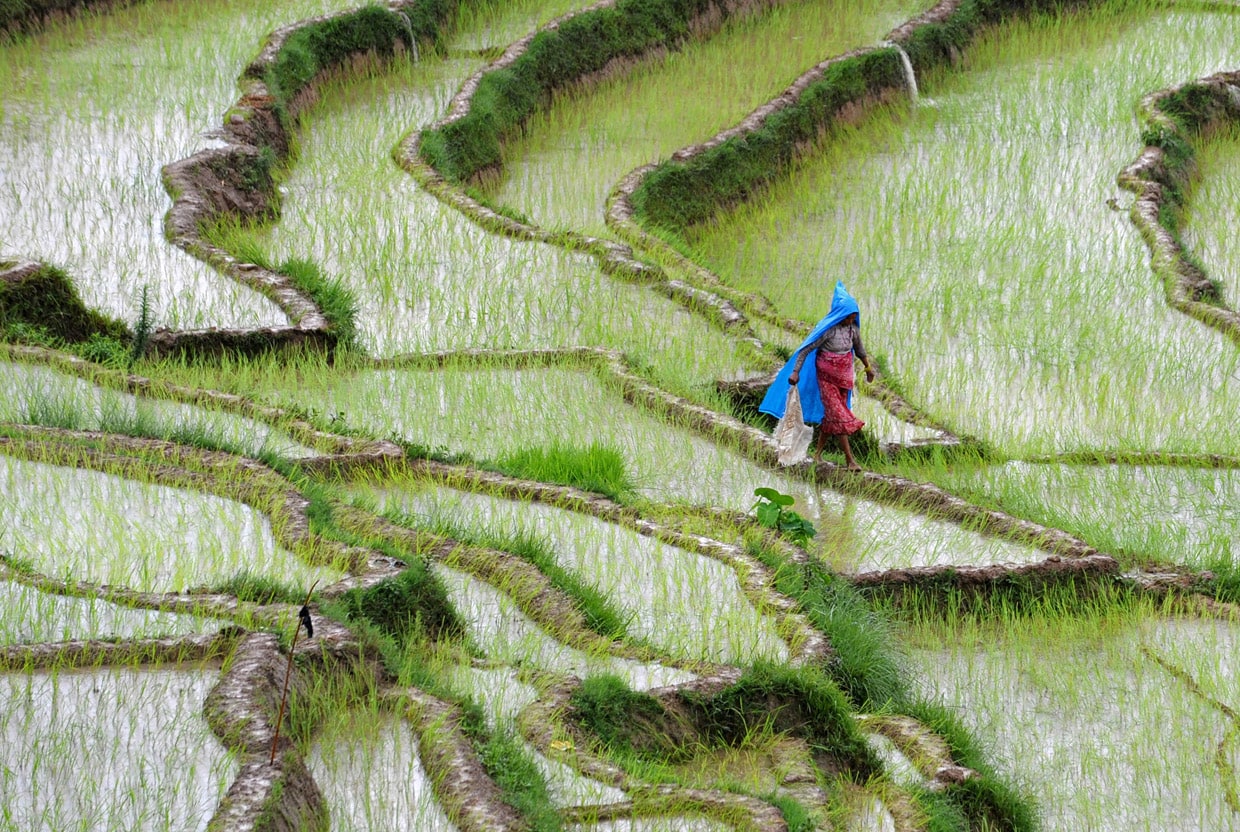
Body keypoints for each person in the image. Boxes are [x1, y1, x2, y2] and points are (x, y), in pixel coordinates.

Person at [758, 282, 876, 471]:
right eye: (849, 315)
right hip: (826, 380)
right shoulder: (828, 330)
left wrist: (868, 368)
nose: (853, 318)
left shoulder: (853, 330)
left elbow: (860, 350)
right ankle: (850, 460)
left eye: (855, 315)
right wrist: (795, 371)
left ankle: (818, 454)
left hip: (844, 380)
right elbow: (806, 350)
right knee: (838, 415)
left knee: (831, 417)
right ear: (841, 314)